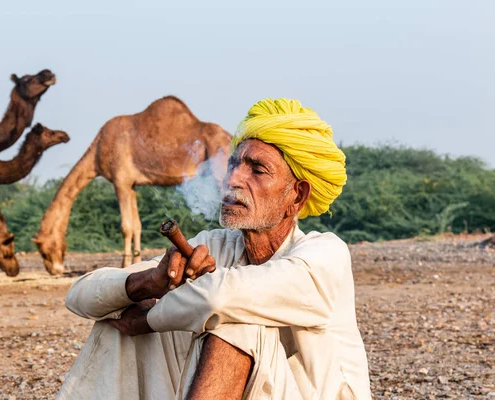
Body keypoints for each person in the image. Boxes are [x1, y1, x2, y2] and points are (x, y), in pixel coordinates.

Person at [57, 98, 371, 400]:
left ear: (297, 196)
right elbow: (80, 296)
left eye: (256, 170)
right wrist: (148, 281)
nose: (232, 178)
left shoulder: (326, 255)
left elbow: (219, 297)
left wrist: (148, 319)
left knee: (236, 324)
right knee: (116, 322)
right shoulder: (218, 244)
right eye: (233, 164)